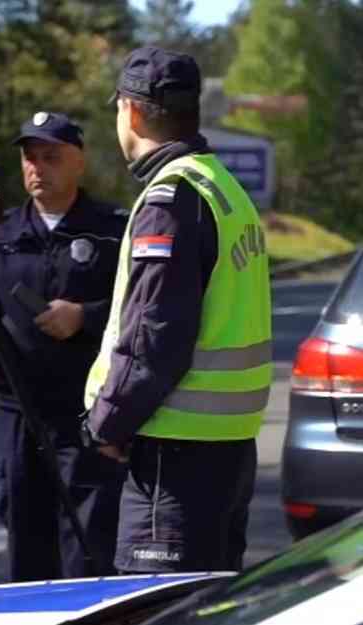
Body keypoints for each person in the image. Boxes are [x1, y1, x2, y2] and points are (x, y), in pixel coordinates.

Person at [83, 46, 272, 574]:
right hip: (228, 451)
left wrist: (108, 425)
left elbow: (153, 337)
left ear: (134, 112)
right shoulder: (225, 188)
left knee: (157, 606)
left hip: (174, 455)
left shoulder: (171, 198)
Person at [0, 111, 128, 581]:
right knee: (24, 533)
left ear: (78, 162)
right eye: (29, 158)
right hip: (18, 410)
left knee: (88, 540)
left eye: (51, 157)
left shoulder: (112, 229)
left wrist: (84, 316)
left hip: (83, 413)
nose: (37, 167)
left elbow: (138, 311)